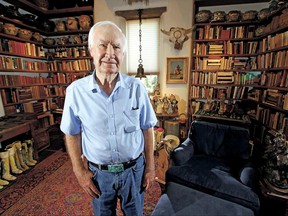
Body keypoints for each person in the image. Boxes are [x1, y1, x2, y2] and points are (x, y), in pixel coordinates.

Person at [60, 21, 158, 215]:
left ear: (123, 54)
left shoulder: (137, 88)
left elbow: (147, 128)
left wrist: (150, 168)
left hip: (134, 171)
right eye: (103, 45)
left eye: (117, 47)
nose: (110, 53)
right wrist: (79, 171)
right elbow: (72, 133)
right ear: (91, 50)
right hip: (99, 175)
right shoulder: (76, 91)